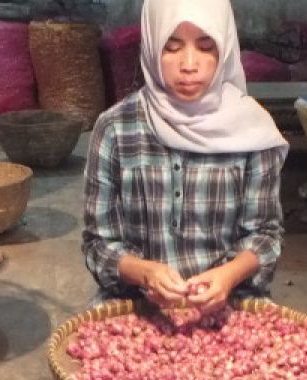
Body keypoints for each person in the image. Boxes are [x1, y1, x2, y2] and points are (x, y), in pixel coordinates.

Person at [82, 0, 288, 314]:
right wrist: (145, 273)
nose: (189, 64)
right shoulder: (115, 129)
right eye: (171, 47)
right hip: (134, 307)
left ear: (225, 49)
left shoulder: (252, 130)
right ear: (151, 46)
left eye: (206, 47)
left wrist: (227, 276)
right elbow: (98, 243)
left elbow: (265, 236)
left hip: (232, 304)